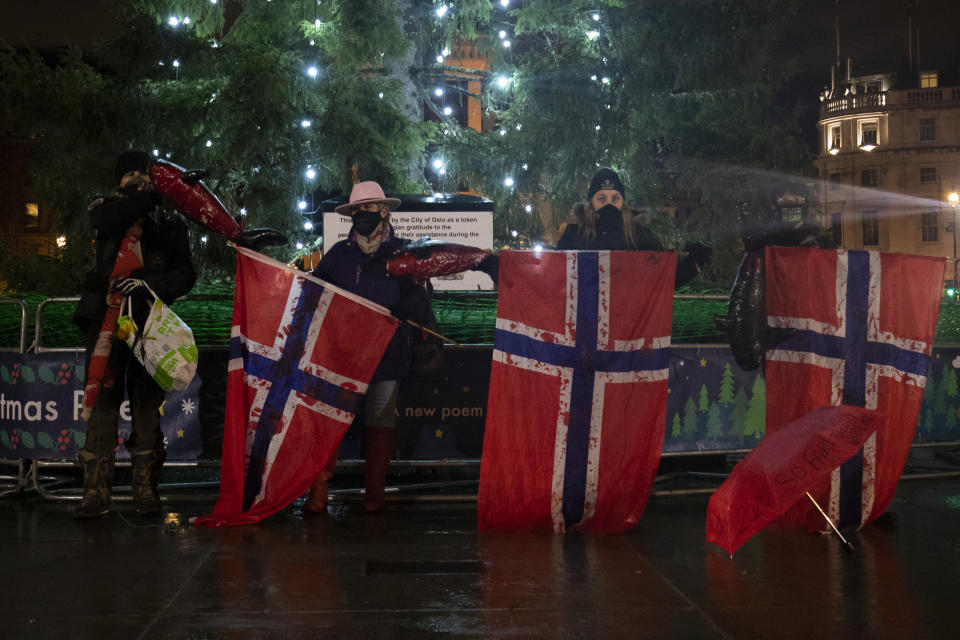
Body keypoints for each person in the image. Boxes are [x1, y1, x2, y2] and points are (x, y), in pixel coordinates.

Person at [72, 150, 197, 518]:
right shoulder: (106, 209)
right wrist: (148, 194)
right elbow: (111, 218)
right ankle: (95, 493)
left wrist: (147, 284)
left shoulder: (169, 224)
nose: (136, 179)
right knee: (103, 407)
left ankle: (145, 491)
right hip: (106, 322)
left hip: (148, 322)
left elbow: (185, 273)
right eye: (128, 174)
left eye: (142, 173)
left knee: (146, 406)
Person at [307, 181, 432, 514]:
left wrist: (407, 306)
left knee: (380, 422)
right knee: (330, 420)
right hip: (343, 356)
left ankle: (375, 496)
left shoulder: (405, 254)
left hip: (388, 354)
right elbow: (316, 293)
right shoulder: (338, 255)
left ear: (384, 212)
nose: (362, 218)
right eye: (356, 213)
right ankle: (317, 493)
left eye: (368, 211)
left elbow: (420, 297)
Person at [555, 167, 711, 286]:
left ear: (623, 202)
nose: (609, 203)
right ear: (591, 203)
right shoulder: (574, 235)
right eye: (601, 198)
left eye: (615, 198)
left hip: (628, 323)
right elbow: (554, 275)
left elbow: (664, 277)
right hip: (585, 321)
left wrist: (693, 263)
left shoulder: (640, 236)